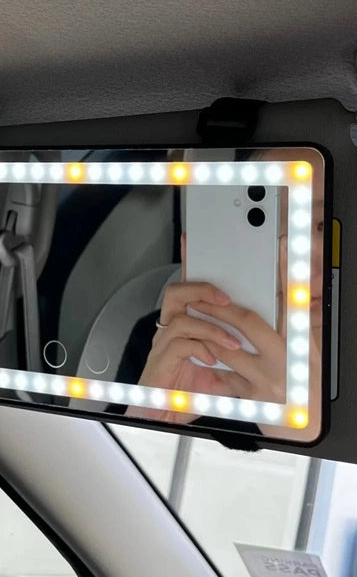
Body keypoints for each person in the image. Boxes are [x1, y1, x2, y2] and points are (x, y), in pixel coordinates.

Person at [117, 150, 324, 430]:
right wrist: (155, 418)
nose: (302, 267)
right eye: (268, 227)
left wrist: (306, 433)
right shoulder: (166, 341)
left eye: (322, 225)